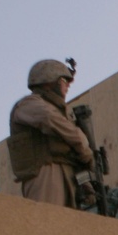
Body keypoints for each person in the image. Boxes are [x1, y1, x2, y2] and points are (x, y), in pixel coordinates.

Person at [7, 59, 93, 208]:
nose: (67, 86)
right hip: (46, 172)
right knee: (46, 221)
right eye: (64, 81)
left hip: (67, 172)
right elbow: (49, 119)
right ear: (49, 82)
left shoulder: (60, 112)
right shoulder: (28, 104)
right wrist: (84, 148)